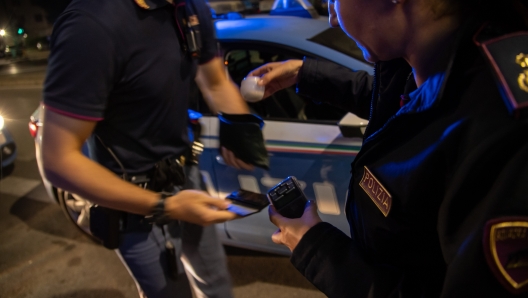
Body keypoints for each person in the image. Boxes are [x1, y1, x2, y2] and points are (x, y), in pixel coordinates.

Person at [249, 0, 528, 296]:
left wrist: (315, 246)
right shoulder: (448, 55)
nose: (332, 16)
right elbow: (401, 101)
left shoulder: (503, 135)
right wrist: (305, 74)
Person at [40, 0, 261, 297]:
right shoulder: (90, 26)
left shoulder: (191, 8)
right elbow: (58, 160)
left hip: (186, 178)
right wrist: (165, 206)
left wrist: (239, 129)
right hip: (132, 203)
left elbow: (215, 81)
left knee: (217, 284)